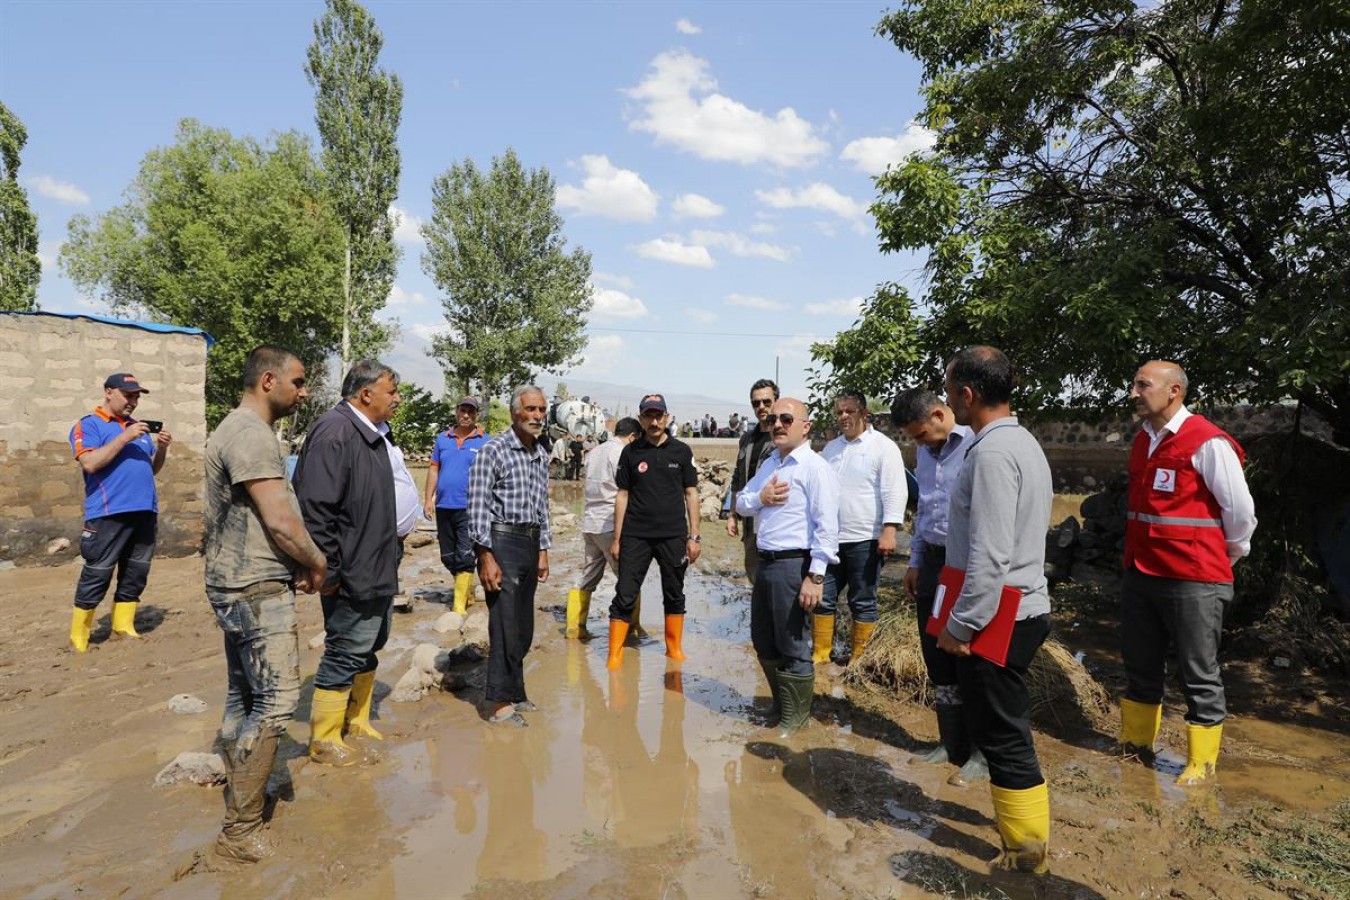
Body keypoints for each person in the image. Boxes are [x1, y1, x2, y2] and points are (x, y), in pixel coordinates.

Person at [202, 345, 327, 862]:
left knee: (243, 697)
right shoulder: (251, 435)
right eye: (298, 382)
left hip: (234, 581)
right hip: (254, 587)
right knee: (276, 704)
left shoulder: (235, 428)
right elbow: (279, 519)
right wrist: (316, 562)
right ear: (268, 380)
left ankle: (243, 792)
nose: (304, 392)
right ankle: (240, 832)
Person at [938, 346, 1053, 873]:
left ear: (967, 393)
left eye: (948, 389)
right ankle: (1023, 843)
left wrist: (961, 624)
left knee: (1004, 737)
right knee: (1004, 731)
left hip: (999, 616)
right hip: (1019, 608)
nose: (945, 399)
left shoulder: (989, 454)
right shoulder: (1021, 441)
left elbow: (990, 555)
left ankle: (1028, 855)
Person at [1119, 361, 1256, 785]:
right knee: (1140, 663)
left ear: (1174, 390)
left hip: (1195, 577)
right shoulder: (1144, 440)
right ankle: (1135, 745)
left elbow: (1241, 516)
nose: (1134, 393)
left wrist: (1221, 558)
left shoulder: (1207, 442)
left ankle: (1200, 763)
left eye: (1143, 385)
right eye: (1134, 384)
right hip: (1142, 572)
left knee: (1199, 671)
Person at [294, 359, 416, 765]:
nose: (397, 399)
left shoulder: (373, 432)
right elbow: (316, 509)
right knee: (347, 646)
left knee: (371, 642)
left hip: (379, 556)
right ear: (366, 394)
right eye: (391, 392)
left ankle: (356, 720)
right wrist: (328, 569)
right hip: (353, 563)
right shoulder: (335, 431)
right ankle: (324, 739)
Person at [891, 387, 986, 786]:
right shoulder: (926, 455)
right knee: (937, 656)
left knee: (973, 658)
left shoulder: (978, 448)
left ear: (938, 414)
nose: (918, 444)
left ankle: (983, 753)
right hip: (932, 562)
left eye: (919, 435)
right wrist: (914, 563)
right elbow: (925, 512)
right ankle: (951, 741)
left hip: (968, 564)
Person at [735, 397, 839, 737]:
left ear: (805, 427)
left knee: (793, 643)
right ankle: (782, 705)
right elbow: (741, 502)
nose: (777, 424)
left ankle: (796, 718)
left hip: (794, 565)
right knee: (763, 639)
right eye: (773, 420)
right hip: (765, 563)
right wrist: (760, 499)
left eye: (786, 419)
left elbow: (827, 528)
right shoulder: (770, 464)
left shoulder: (814, 467)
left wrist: (815, 575)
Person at [67, 372, 172, 651]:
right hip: (108, 513)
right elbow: (89, 463)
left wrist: (161, 450)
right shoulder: (89, 425)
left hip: (144, 512)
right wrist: (125, 437)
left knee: (136, 572)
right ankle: (80, 634)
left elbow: (150, 470)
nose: (133, 401)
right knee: (98, 573)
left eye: (137, 396)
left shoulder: (137, 429)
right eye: (129, 395)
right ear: (109, 392)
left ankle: (123, 625)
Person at [467, 385, 552, 727]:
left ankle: (516, 691)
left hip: (530, 542)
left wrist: (543, 549)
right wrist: (485, 555)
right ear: (516, 412)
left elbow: (542, 506)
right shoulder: (494, 450)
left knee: (523, 625)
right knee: (504, 623)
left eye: (542, 410)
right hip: (501, 541)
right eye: (530, 410)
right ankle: (499, 702)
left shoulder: (540, 454)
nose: (537, 417)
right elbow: (476, 506)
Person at [605, 394, 701, 669]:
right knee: (625, 593)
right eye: (649, 415)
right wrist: (617, 539)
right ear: (641, 419)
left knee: (674, 592)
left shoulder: (681, 451)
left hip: (673, 535)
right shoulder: (631, 452)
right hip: (636, 535)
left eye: (659, 415)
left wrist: (694, 536)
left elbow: (691, 494)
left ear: (667, 417)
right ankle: (614, 655)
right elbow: (622, 495)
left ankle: (674, 651)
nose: (654, 421)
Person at [817, 390, 907, 667]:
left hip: (865, 539)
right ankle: (820, 655)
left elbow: (895, 491)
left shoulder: (883, 447)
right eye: (839, 412)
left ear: (864, 414)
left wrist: (889, 530)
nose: (843, 416)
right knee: (824, 597)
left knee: (862, 599)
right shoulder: (831, 449)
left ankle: (859, 657)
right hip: (832, 539)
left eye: (849, 411)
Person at [567, 417, 642, 640]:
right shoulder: (621, 453)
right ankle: (631, 629)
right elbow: (626, 490)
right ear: (632, 437)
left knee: (588, 576)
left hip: (590, 521)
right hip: (610, 522)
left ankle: (574, 628)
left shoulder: (594, 452)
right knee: (628, 577)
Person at [424, 397, 490, 616]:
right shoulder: (443, 439)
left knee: (464, 554)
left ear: (476, 416)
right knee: (447, 555)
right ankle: (467, 590)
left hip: (470, 507)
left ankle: (459, 607)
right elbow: (434, 470)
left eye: (471, 412)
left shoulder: (485, 441)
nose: (466, 415)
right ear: (456, 412)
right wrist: (427, 499)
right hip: (444, 506)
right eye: (463, 410)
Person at [724, 379, 780, 583]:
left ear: (776, 400)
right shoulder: (747, 438)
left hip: (775, 521)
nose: (761, 407)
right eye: (756, 403)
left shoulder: (783, 437)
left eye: (766, 401)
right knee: (755, 577)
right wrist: (731, 514)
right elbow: (738, 478)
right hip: (750, 519)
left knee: (777, 580)